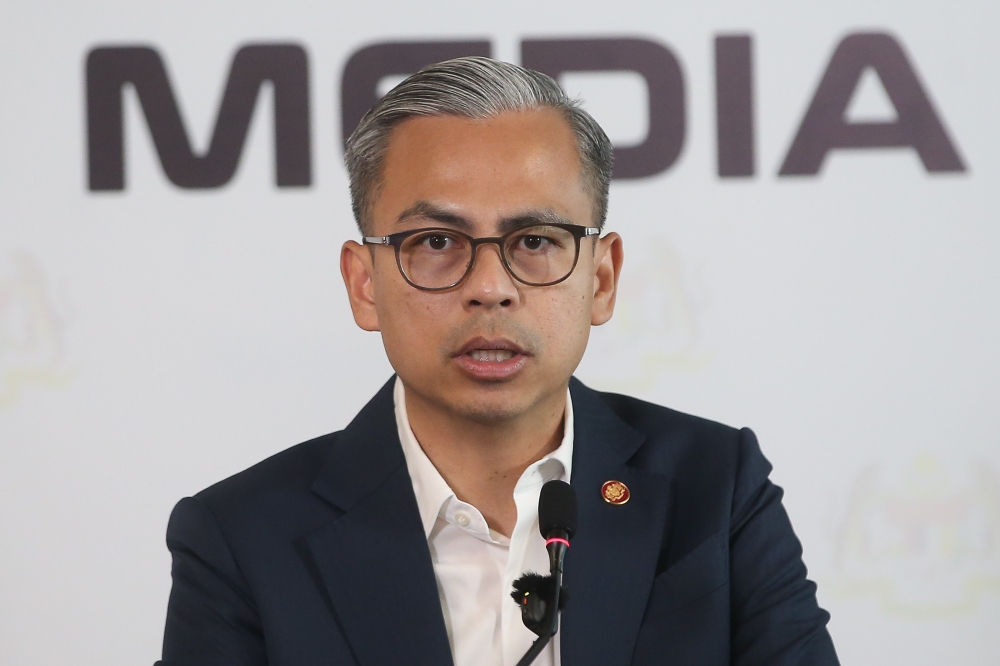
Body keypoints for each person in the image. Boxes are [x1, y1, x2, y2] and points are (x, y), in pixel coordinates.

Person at [157, 57, 839, 666]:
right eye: (435, 242)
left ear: (600, 280)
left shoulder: (713, 491)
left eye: (536, 240)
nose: (490, 286)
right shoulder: (243, 539)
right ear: (365, 283)